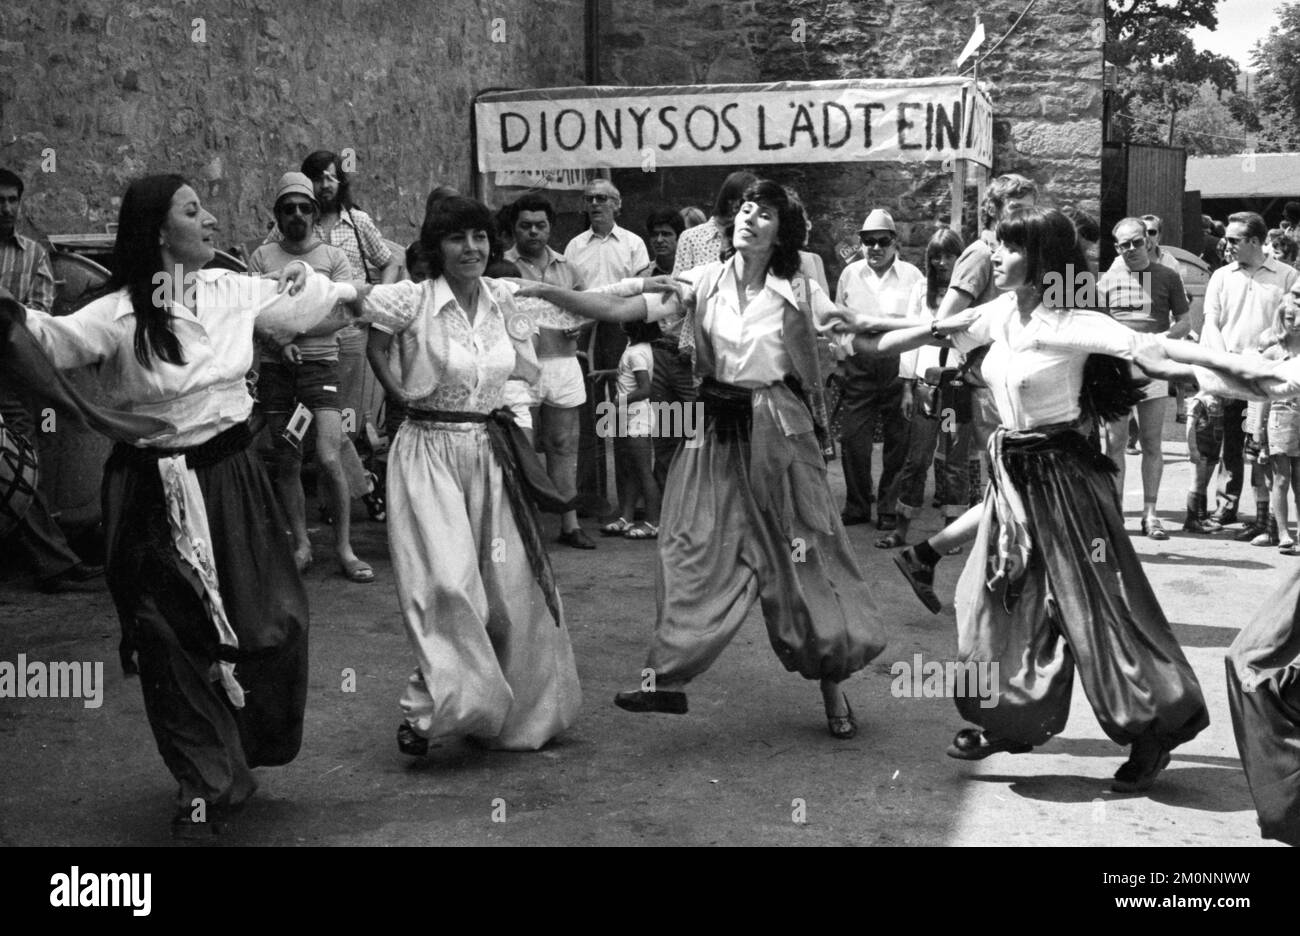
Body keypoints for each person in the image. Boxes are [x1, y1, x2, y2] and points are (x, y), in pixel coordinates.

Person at [3, 174, 367, 837]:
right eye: (193, 211)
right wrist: (11, 318)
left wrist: (367, 293)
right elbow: (46, 340)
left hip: (233, 480)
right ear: (157, 231)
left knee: (271, 625)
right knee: (168, 639)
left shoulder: (235, 290)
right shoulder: (115, 313)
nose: (211, 220)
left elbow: (309, 303)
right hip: (151, 491)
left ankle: (243, 747)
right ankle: (202, 784)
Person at [518, 180, 888, 740]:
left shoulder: (800, 291)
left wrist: (942, 334)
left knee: (800, 559)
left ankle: (833, 686)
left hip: (777, 435)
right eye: (744, 209)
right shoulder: (702, 281)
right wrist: (550, 296)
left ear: (781, 232)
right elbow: (620, 305)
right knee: (683, 546)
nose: (750, 219)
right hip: (713, 433)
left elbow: (859, 338)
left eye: (765, 214)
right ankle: (666, 677)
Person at [879, 207, 1208, 793]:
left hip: (1067, 484)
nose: (994, 256)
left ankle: (1154, 727)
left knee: (1097, 613)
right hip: (1014, 478)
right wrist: (849, 330)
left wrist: (1241, 369)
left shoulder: (1073, 323)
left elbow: (1148, 347)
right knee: (997, 606)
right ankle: (1010, 717)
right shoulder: (1001, 312)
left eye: (1007, 248)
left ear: (1040, 261)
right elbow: (935, 328)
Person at [361, 195, 583, 754]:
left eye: (481, 237)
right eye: (458, 238)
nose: (472, 248)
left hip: (491, 451)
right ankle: (431, 706)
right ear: (437, 247)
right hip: (427, 452)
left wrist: (656, 294)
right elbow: (371, 337)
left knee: (508, 590)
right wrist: (400, 395)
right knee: (449, 584)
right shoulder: (411, 300)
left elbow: (566, 320)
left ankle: (499, 711)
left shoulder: (505, 297)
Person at [248, 172, 374, 583]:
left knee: (328, 455)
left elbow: (343, 313)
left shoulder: (333, 258)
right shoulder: (262, 258)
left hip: (321, 366)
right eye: (289, 209)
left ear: (315, 213)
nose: (297, 214)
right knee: (285, 458)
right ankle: (301, 544)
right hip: (276, 370)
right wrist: (277, 341)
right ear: (278, 215)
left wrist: (295, 332)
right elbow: (252, 314)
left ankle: (344, 548)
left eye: (304, 207)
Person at [0, 166, 104, 592]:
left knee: (20, 464)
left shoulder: (32, 255)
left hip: (12, 372)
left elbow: (35, 319)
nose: (6, 209)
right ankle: (54, 560)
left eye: (12, 200)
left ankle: (52, 559)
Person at [296, 150, 399, 522]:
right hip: (306, 336)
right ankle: (362, 486)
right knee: (317, 422)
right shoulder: (295, 222)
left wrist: (377, 301)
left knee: (346, 420)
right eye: (318, 178)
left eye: (331, 177)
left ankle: (332, 500)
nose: (325, 185)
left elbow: (389, 260)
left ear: (341, 182)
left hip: (351, 334)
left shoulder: (356, 222)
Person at [1194, 211, 1296, 534]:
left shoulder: (1287, 276)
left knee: (1261, 448)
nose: (1228, 244)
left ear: (1254, 241)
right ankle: (1227, 506)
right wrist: (1223, 362)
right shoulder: (1222, 276)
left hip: (1267, 376)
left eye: (1235, 239)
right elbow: (1211, 321)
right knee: (1230, 444)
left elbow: (1290, 325)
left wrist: (1267, 357)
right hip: (1230, 371)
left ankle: (1262, 518)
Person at [504, 194, 594, 548]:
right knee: (520, 449)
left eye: (540, 225)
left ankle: (569, 524)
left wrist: (579, 324)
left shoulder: (566, 267)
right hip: (517, 369)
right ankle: (523, 527)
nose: (533, 232)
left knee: (562, 445)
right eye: (525, 225)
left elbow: (589, 304)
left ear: (550, 227)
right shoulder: (501, 266)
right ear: (514, 228)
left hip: (563, 364)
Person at [1098, 217, 1191, 540]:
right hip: (1117, 371)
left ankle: (1151, 515)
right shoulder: (1106, 280)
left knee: (1152, 443)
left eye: (1137, 242)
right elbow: (1094, 322)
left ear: (1149, 242)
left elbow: (1184, 322)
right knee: (1115, 445)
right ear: (1117, 248)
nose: (1132, 249)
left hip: (1153, 368)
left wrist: (1163, 339)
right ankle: (1114, 515)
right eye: (1125, 245)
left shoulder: (1167, 276)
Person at [564, 178, 651, 519]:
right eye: (590, 199)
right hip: (585, 329)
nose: (595, 204)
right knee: (587, 412)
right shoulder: (574, 246)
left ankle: (631, 500)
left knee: (622, 411)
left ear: (617, 204)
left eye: (602, 198)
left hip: (620, 328)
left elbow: (639, 291)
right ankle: (590, 497)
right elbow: (572, 290)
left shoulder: (633, 244)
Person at [836, 208, 923, 531]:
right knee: (853, 439)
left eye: (882, 241)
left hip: (896, 367)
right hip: (859, 366)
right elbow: (838, 321)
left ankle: (889, 507)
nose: (874, 248)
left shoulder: (913, 277)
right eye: (867, 241)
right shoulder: (850, 275)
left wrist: (909, 381)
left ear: (894, 242)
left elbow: (919, 328)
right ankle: (857, 504)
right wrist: (842, 360)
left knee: (899, 441)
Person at [882, 227, 970, 550]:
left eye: (949, 255)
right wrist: (907, 387)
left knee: (952, 462)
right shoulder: (922, 290)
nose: (942, 262)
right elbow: (911, 340)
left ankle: (951, 535)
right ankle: (901, 530)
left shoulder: (970, 292)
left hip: (956, 390)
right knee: (917, 459)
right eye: (936, 255)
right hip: (926, 389)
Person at [596, 318, 662, 539]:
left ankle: (653, 522)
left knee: (643, 470)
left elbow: (645, 389)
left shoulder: (636, 353)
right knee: (632, 469)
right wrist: (606, 374)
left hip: (636, 415)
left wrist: (618, 402)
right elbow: (627, 376)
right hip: (628, 413)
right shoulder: (635, 348)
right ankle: (626, 517)